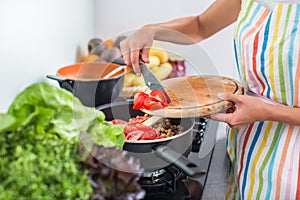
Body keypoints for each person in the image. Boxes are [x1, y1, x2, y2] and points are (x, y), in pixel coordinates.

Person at [119, 0, 300, 199]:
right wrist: (152, 30)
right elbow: (200, 26)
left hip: (291, 161)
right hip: (249, 144)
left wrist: (266, 111)